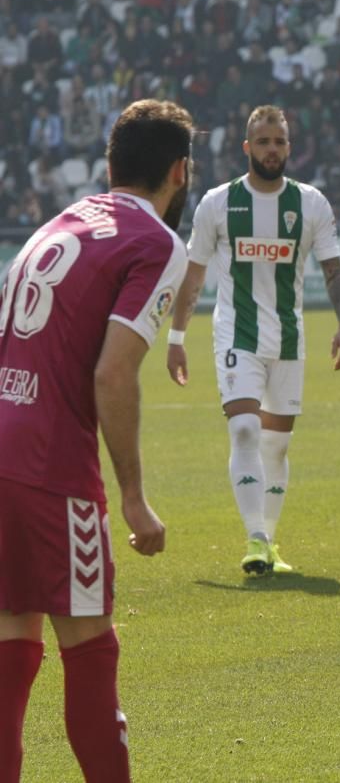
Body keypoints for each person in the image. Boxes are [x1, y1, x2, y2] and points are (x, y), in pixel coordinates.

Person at [0, 99, 192, 783]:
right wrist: (134, 497)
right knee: (88, 648)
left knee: (11, 646)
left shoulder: (57, 224)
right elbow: (114, 374)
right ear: (180, 172)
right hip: (53, 466)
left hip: (3, 448)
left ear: (111, 165)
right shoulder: (157, 244)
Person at [167, 105, 340, 576]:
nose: (272, 149)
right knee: (246, 430)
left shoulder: (310, 203)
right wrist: (175, 336)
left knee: (276, 447)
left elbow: (334, 271)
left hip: (289, 338)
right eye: (264, 141)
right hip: (237, 332)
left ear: (289, 148)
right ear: (247, 147)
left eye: (280, 141)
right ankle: (254, 538)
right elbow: (193, 276)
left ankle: (270, 541)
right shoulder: (217, 202)